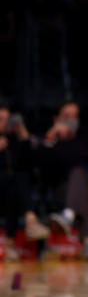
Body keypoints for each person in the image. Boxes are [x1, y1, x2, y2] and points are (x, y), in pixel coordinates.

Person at [42, 101, 88, 261]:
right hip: (61, 190)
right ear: (56, 119)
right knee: (78, 181)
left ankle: (68, 215)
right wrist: (51, 137)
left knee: (79, 175)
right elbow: (40, 167)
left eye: (74, 117)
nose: (71, 120)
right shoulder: (50, 142)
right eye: (66, 116)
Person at [0, 106, 50, 260]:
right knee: (14, 181)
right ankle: (30, 219)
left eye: (8, 119)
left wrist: (24, 135)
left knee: (17, 180)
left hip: (14, 192)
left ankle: (11, 243)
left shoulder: (18, 141)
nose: (5, 123)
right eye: (1, 119)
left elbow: (37, 163)